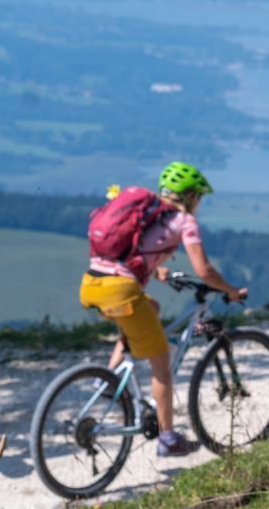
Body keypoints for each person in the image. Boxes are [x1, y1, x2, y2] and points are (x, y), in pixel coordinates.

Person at [79, 161, 248, 457]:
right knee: (162, 364)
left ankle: (107, 379)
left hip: (91, 284)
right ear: (192, 196)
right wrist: (231, 291)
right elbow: (204, 271)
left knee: (151, 309)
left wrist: (160, 271)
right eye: (199, 198)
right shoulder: (184, 221)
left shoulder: (147, 213)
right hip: (122, 291)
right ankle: (168, 438)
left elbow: (132, 251)